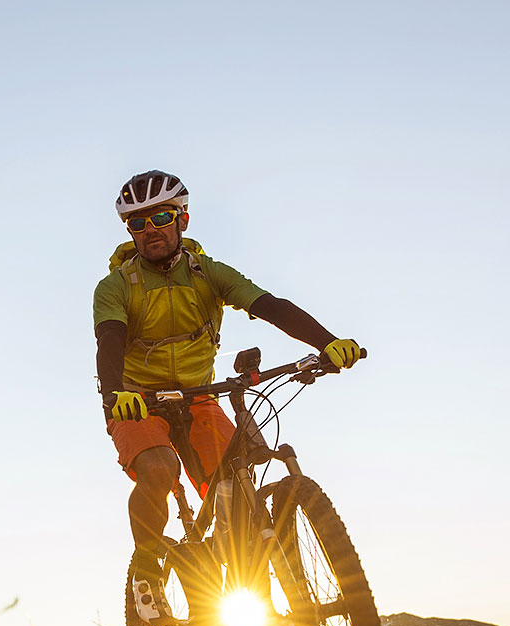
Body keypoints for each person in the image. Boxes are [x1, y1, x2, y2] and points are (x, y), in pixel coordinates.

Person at [93, 170, 362, 561]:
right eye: (138, 222)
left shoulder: (209, 274)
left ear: (182, 219)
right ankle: (149, 571)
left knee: (236, 486)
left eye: (162, 218)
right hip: (136, 399)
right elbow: (110, 340)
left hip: (199, 397)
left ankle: (237, 572)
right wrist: (115, 392)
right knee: (159, 469)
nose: (150, 229)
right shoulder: (116, 286)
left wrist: (328, 342)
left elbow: (270, 307)